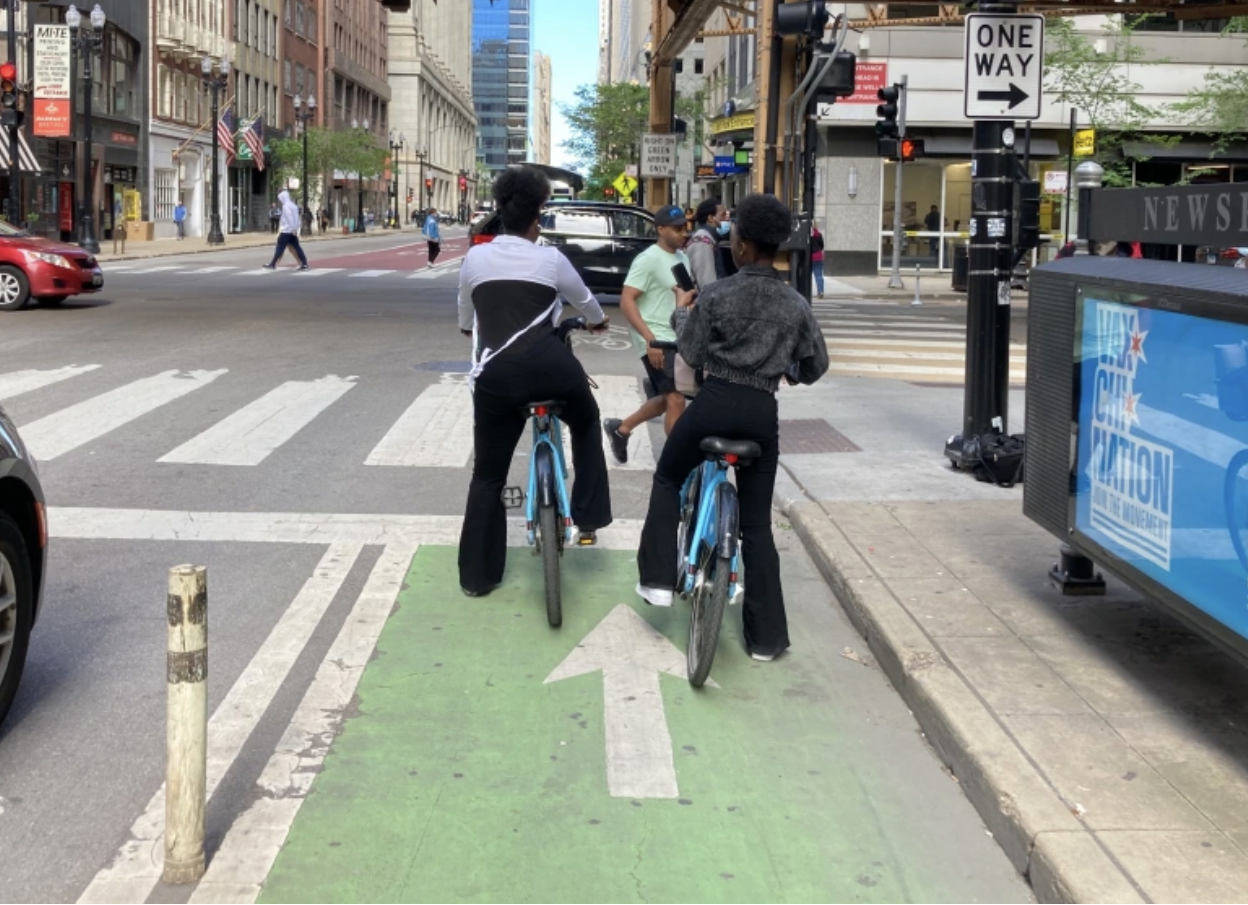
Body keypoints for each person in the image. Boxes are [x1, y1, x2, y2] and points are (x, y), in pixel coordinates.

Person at [634, 193, 830, 662]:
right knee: (758, 525)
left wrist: (683, 312)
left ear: (740, 245)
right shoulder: (795, 302)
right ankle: (765, 640)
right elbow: (815, 365)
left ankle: (658, 580)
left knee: (668, 476)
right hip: (762, 413)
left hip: (716, 403)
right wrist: (787, 370)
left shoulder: (719, 293)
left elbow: (694, 354)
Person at [457, 165, 612, 597]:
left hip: (497, 377)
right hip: (552, 368)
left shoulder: (475, 258)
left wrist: (471, 328)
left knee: (487, 475)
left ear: (500, 212)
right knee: (585, 421)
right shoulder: (551, 259)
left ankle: (477, 578)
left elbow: (465, 313)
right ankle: (588, 514)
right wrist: (596, 324)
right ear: (538, 215)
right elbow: (587, 303)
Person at [602, 205, 692, 463]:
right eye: (677, 228)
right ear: (660, 229)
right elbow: (627, 300)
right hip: (656, 338)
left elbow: (687, 298)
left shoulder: (682, 258)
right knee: (675, 398)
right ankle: (674, 464)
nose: (682, 233)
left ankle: (621, 429)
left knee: (671, 396)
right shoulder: (648, 259)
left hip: (678, 337)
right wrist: (649, 339)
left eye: (684, 227)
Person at [686, 197, 728, 289]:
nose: (727, 219)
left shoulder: (709, 239)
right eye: (723, 215)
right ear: (711, 218)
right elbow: (707, 286)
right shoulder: (702, 243)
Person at [262, 190, 309, 270]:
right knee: (297, 248)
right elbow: (297, 219)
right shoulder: (293, 205)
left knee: (280, 248)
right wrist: (295, 229)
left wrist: (291, 228)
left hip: (286, 230)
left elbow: (289, 218)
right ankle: (304, 263)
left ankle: (273, 263)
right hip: (292, 231)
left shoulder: (286, 206)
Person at [810, 220, 825, 298]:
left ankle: (806, 291)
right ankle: (820, 291)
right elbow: (822, 246)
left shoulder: (806, 235)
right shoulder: (819, 234)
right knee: (818, 275)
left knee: (807, 276)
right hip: (818, 256)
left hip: (808, 257)